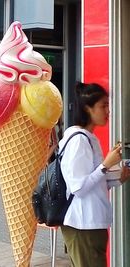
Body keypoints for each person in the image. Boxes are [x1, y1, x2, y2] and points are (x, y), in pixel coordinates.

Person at [59, 82, 130, 267]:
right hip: (82, 224)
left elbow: (94, 181)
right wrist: (106, 165)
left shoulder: (89, 138)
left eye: (108, 105)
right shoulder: (78, 141)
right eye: (103, 105)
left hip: (91, 223)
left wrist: (117, 178)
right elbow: (79, 187)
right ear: (87, 109)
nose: (108, 111)